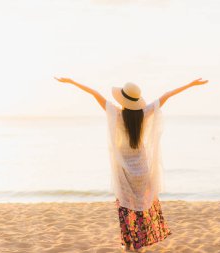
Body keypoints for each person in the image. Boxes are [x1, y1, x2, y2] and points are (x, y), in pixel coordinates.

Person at [54, 76, 209, 251]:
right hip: (142, 170)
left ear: (123, 99)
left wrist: (72, 82)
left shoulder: (116, 113)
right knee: (141, 208)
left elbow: (94, 93)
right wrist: (191, 84)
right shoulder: (144, 113)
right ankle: (139, 243)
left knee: (125, 208)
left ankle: (127, 243)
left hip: (124, 171)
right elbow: (168, 95)